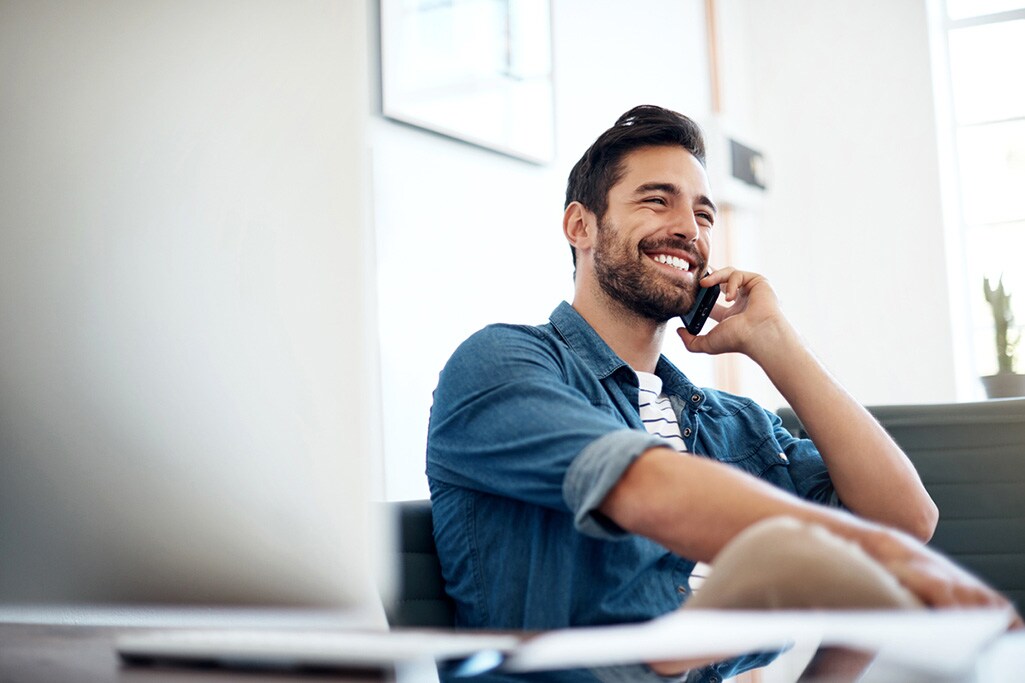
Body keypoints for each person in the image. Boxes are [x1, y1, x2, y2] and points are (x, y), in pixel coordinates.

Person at [425, 105, 1018, 683]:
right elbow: (648, 490)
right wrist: (851, 553)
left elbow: (904, 519)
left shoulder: (735, 426)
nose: (689, 228)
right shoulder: (502, 365)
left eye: (704, 214)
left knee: (871, 577)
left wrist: (777, 341)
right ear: (581, 225)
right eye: (657, 200)